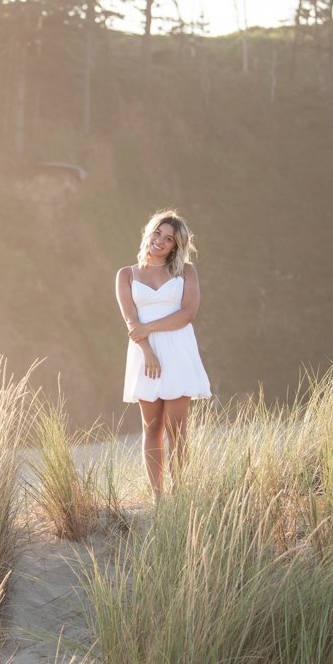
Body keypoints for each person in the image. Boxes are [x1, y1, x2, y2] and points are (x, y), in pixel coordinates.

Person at [116, 210, 211, 495]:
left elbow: (187, 314)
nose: (160, 241)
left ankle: (181, 494)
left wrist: (150, 328)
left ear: (174, 246)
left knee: (177, 430)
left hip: (178, 350)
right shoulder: (126, 275)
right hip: (144, 354)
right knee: (151, 428)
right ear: (148, 232)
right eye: (157, 233)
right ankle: (158, 498)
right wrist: (147, 351)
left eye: (168, 239)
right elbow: (132, 322)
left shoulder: (186, 271)